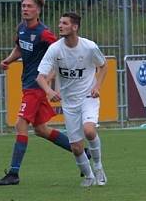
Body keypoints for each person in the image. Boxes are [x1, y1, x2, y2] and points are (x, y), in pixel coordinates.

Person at [0, 0, 76, 186]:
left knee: (20, 125)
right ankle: (82, 152)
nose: (25, 9)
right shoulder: (22, 28)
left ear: (38, 10)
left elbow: (60, 53)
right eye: (23, 6)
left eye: (29, 6)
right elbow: (20, 48)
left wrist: (49, 79)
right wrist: (9, 60)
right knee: (41, 130)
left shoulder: (44, 33)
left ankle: (13, 173)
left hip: (35, 87)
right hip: (27, 84)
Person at [36, 12, 108, 187]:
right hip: (69, 102)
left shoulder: (89, 47)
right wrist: (49, 91)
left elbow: (103, 66)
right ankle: (89, 175)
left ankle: (98, 167)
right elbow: (40, 77)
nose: (60, 26)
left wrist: (97, 87)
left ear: (74, 27)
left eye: (65, 23)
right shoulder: (55, 48)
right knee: (76, 147)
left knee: (89, 131)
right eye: (60, 22)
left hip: (88, 97)